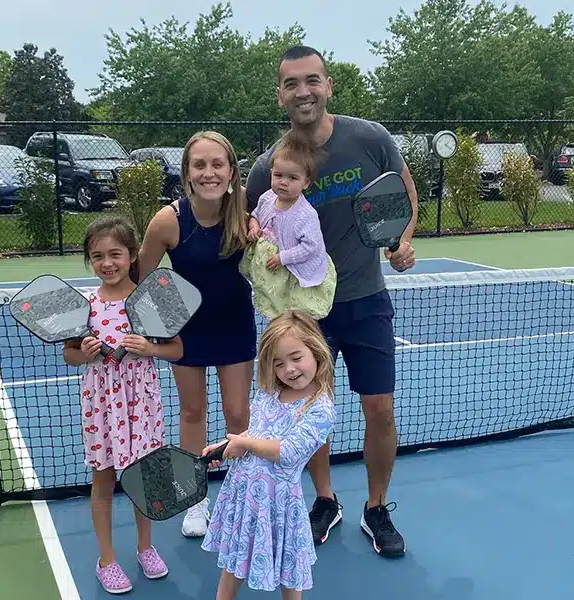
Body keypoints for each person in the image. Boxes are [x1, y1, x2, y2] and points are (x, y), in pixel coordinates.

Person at [244, 45, 419, 558]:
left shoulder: (369, 138)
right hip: (301, 316)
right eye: (292, 83)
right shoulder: (267, 166)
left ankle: (377, 506)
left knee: (380, 409)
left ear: (329, 85)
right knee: (308, 413)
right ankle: (324, 498)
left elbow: (404, 193)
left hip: (365, 300)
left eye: (312, 80)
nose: (303, 91)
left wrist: (402, 240)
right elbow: (249, 221)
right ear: (280, 94)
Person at [138, 130, 257, 538]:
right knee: (192, 413)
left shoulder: (246, 214)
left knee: (238, 414)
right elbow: (140, 277)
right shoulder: (168, 221)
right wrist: (156, 324)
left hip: (235, 324)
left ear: (230, 171)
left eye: (217, 164)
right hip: (186, 332)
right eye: (200, 164)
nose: (209, 173)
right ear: (187, 172)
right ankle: (195, 499)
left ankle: (242, 495)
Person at [63, 215, 185, 594]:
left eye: (115, 253)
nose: (107, 263)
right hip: (101, 404)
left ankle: (145, 548)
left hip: (142, 402)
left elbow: (178, 350)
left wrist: (150, 348)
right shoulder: (84, 306)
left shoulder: (150, 302)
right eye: (97, 256)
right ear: (89, 260)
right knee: (104, 478)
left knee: (144, 479)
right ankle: (106, 559)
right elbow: (69, 355)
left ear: (132, 254)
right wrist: (84, 354)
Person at [200, 310, 336, 600]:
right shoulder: (268, 394)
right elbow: (256, 433)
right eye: (278, 364)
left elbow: (287, 452)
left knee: (289, 570)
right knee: (234, 563)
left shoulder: (320, 409)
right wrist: (225, 448)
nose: (289, 369)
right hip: (245, 493)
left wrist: (245, 443)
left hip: (279, 504)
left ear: (316, 351)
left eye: (296, 358)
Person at [240, 128, 337, 320]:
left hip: (291, 274)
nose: (283, 182)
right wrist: (253, 227)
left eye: (292, 178)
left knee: (295, 319)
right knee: (275, 317)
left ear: (306, 182)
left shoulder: (305, 214)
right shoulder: (267, 198)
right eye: (278, 175)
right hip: (270, 272)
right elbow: (255, 215)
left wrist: (283, 257)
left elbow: (311, 246)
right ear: (271, 174)